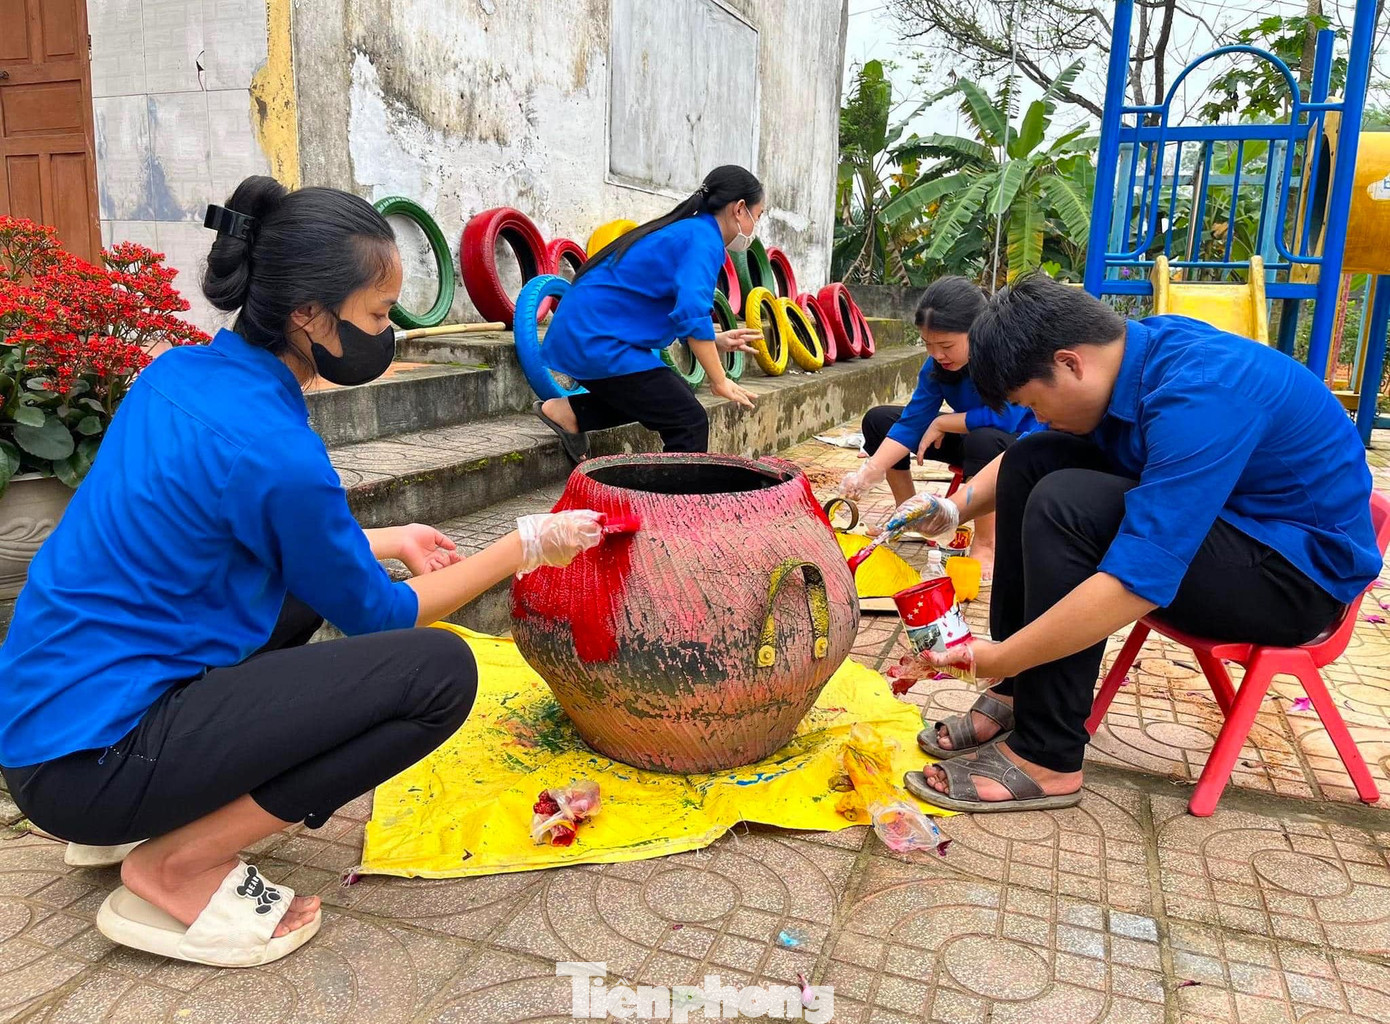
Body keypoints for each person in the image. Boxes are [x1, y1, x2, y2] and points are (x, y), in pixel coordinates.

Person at [0, 176, 604, 967]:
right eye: (378, 315)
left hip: (43, 730)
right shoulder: (278, 452)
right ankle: (173, 863)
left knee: (288, 598)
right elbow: (381, 619)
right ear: (310, 316)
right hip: (94, 767)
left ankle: (153, 819)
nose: (387, 333)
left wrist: (384, 539)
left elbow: (228, 527)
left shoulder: (178, 375)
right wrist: (522, 544)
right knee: (439, 673)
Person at [888, 273, 1380, 813]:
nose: (1037, 416)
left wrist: (999, 654)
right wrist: (952, 509)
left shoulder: (1201, 394)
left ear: (1070, 362)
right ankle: (1016, 690)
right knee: (1037, 458)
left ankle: (1048, 757)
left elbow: (1138, 580)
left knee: (1068, 503)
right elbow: (1031, 449)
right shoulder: (1136, 353)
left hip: (1292, 580)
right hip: (1234, 530)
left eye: (1035, 401)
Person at [532, 165, 765, 459]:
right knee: (688, 420)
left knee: (669, 396)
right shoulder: (704, 240)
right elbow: (693, 312)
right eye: (758, 216)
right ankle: (670, 502)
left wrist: (715, 340)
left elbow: (679, 309)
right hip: (597, 338)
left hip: (586, 331)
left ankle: (567, 414)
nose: (755, 227)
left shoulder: (690, 231)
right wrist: (719, 380)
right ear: (740, 209)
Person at [841, 276, 1036, 580]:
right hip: (972, 442)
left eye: (946, 345)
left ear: (978, 331)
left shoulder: (1007, 357)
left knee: (983, 440)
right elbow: (911, 422)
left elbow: (1006, 418)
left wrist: (944, 421)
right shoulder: (936, 367)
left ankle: (986, 544)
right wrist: (869, 471)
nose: (937, 355)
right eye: (929, 345)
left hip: (1015, 448)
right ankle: (909, 518)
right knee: (879, 420)